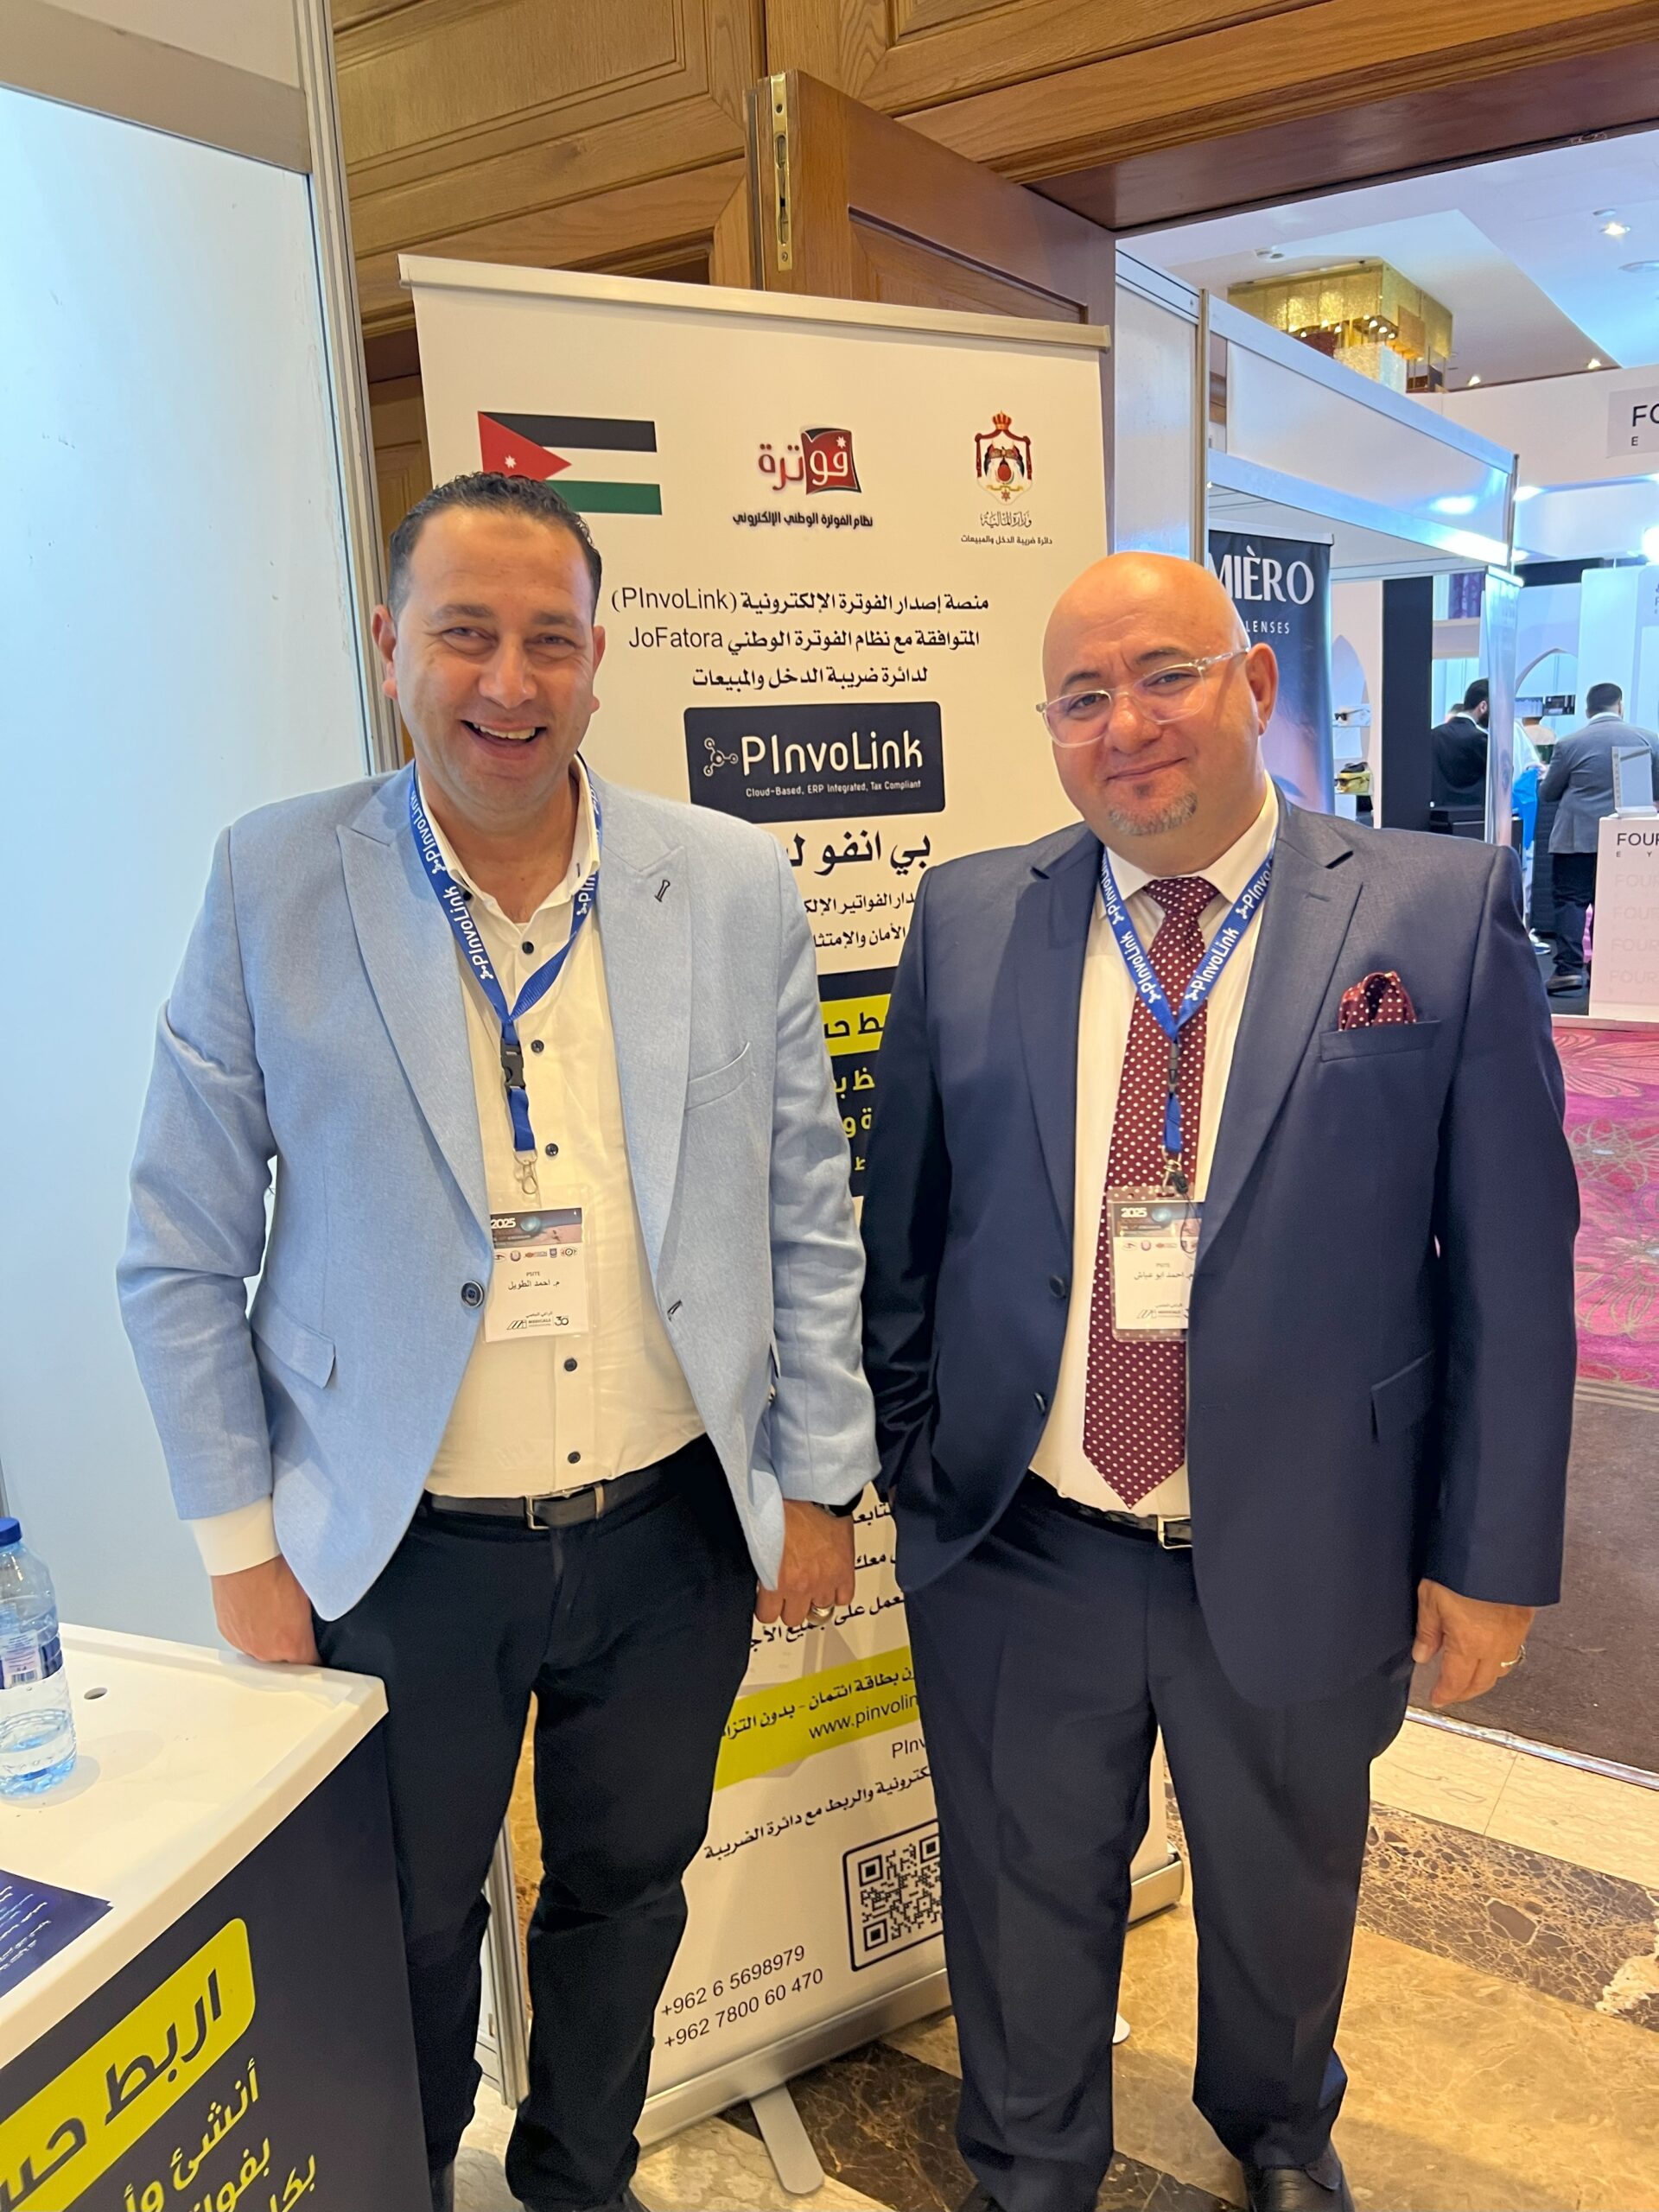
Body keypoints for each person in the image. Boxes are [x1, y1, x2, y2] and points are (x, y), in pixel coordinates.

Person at [119, 473, 876, 2212]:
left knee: (627, 1893)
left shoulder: (730, 883)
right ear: (393, 646)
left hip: (672, 1533)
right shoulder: (273, 879)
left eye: (551, 639)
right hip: (399, 1552)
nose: (509, 682)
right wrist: (240, 1549)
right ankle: (404, 2176)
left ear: (602, 657)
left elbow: (805, 1207)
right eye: (466, 634)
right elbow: (178, 1246)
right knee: (396, 1919)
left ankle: (578, 2180)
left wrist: (821, 1481)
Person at [860, 553, 1576, 2212]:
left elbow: (1514, 1266)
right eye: (1083, 696)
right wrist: (917, 1459)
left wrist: (1486, 1556)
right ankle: (1030, 2162)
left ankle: (1278, 2130)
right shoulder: (970, 915)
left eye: (1165, 674)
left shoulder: (1431, 912)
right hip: (1024, 1538)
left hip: (1313, 1534)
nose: (1127, 725)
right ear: (1050, 728)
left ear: (1254, 684)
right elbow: (907, 1226)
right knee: (1021, 1888)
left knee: (1284, 1886)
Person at [1540, 681, 1659, 992]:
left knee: (1570, 901)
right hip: (1626, 840)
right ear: (1620, 705)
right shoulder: (1649, 740)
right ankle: (1607, 968)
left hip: (1575, 837)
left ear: (1587, 710)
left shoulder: (1569, 743)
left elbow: (1548, 792)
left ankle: (1568, 969)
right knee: (1614, 903)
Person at [1430, 677, 1489, 813]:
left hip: (1437, 814)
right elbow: (1502, 777)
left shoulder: (1434, 735)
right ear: (1483, 706)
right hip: (1474, 815)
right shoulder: (1480, 739)